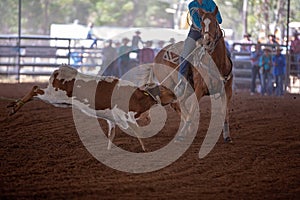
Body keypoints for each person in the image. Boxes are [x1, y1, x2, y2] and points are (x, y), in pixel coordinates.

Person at [176, 0, 222, 97]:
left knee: (225, 53)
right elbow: (196, 22)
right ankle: (181, 82)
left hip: (212, 32)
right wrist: (205, 29)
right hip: (196, 32)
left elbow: (219, 19)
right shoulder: (192, 5)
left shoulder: (210, 3)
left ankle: (224, 78)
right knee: (185, 55)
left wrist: (209, 22)